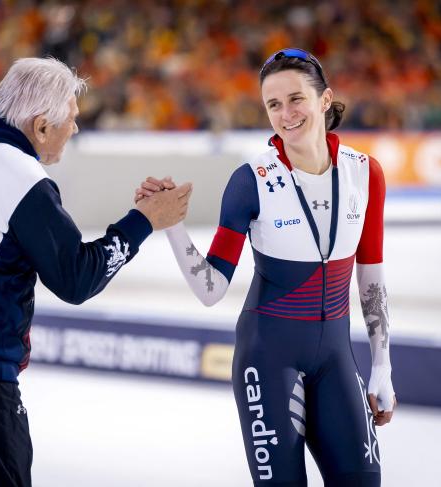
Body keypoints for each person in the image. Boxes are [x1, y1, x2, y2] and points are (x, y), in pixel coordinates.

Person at [0, 56, 192, 487]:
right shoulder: (19, 174)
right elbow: (76, 279)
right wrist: (144, 221)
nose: (75, 130)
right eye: (72, 121)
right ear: (41, 126)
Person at [137, 48, 395, 486]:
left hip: (336, 356)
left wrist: (383, 366)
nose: (286, 114)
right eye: (273, 104)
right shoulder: (251, 180)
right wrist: (174, 226)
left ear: (325, 100)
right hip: (268, 358)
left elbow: (370, 274)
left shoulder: (365, 173)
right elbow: (211, 289)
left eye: (296, 99)